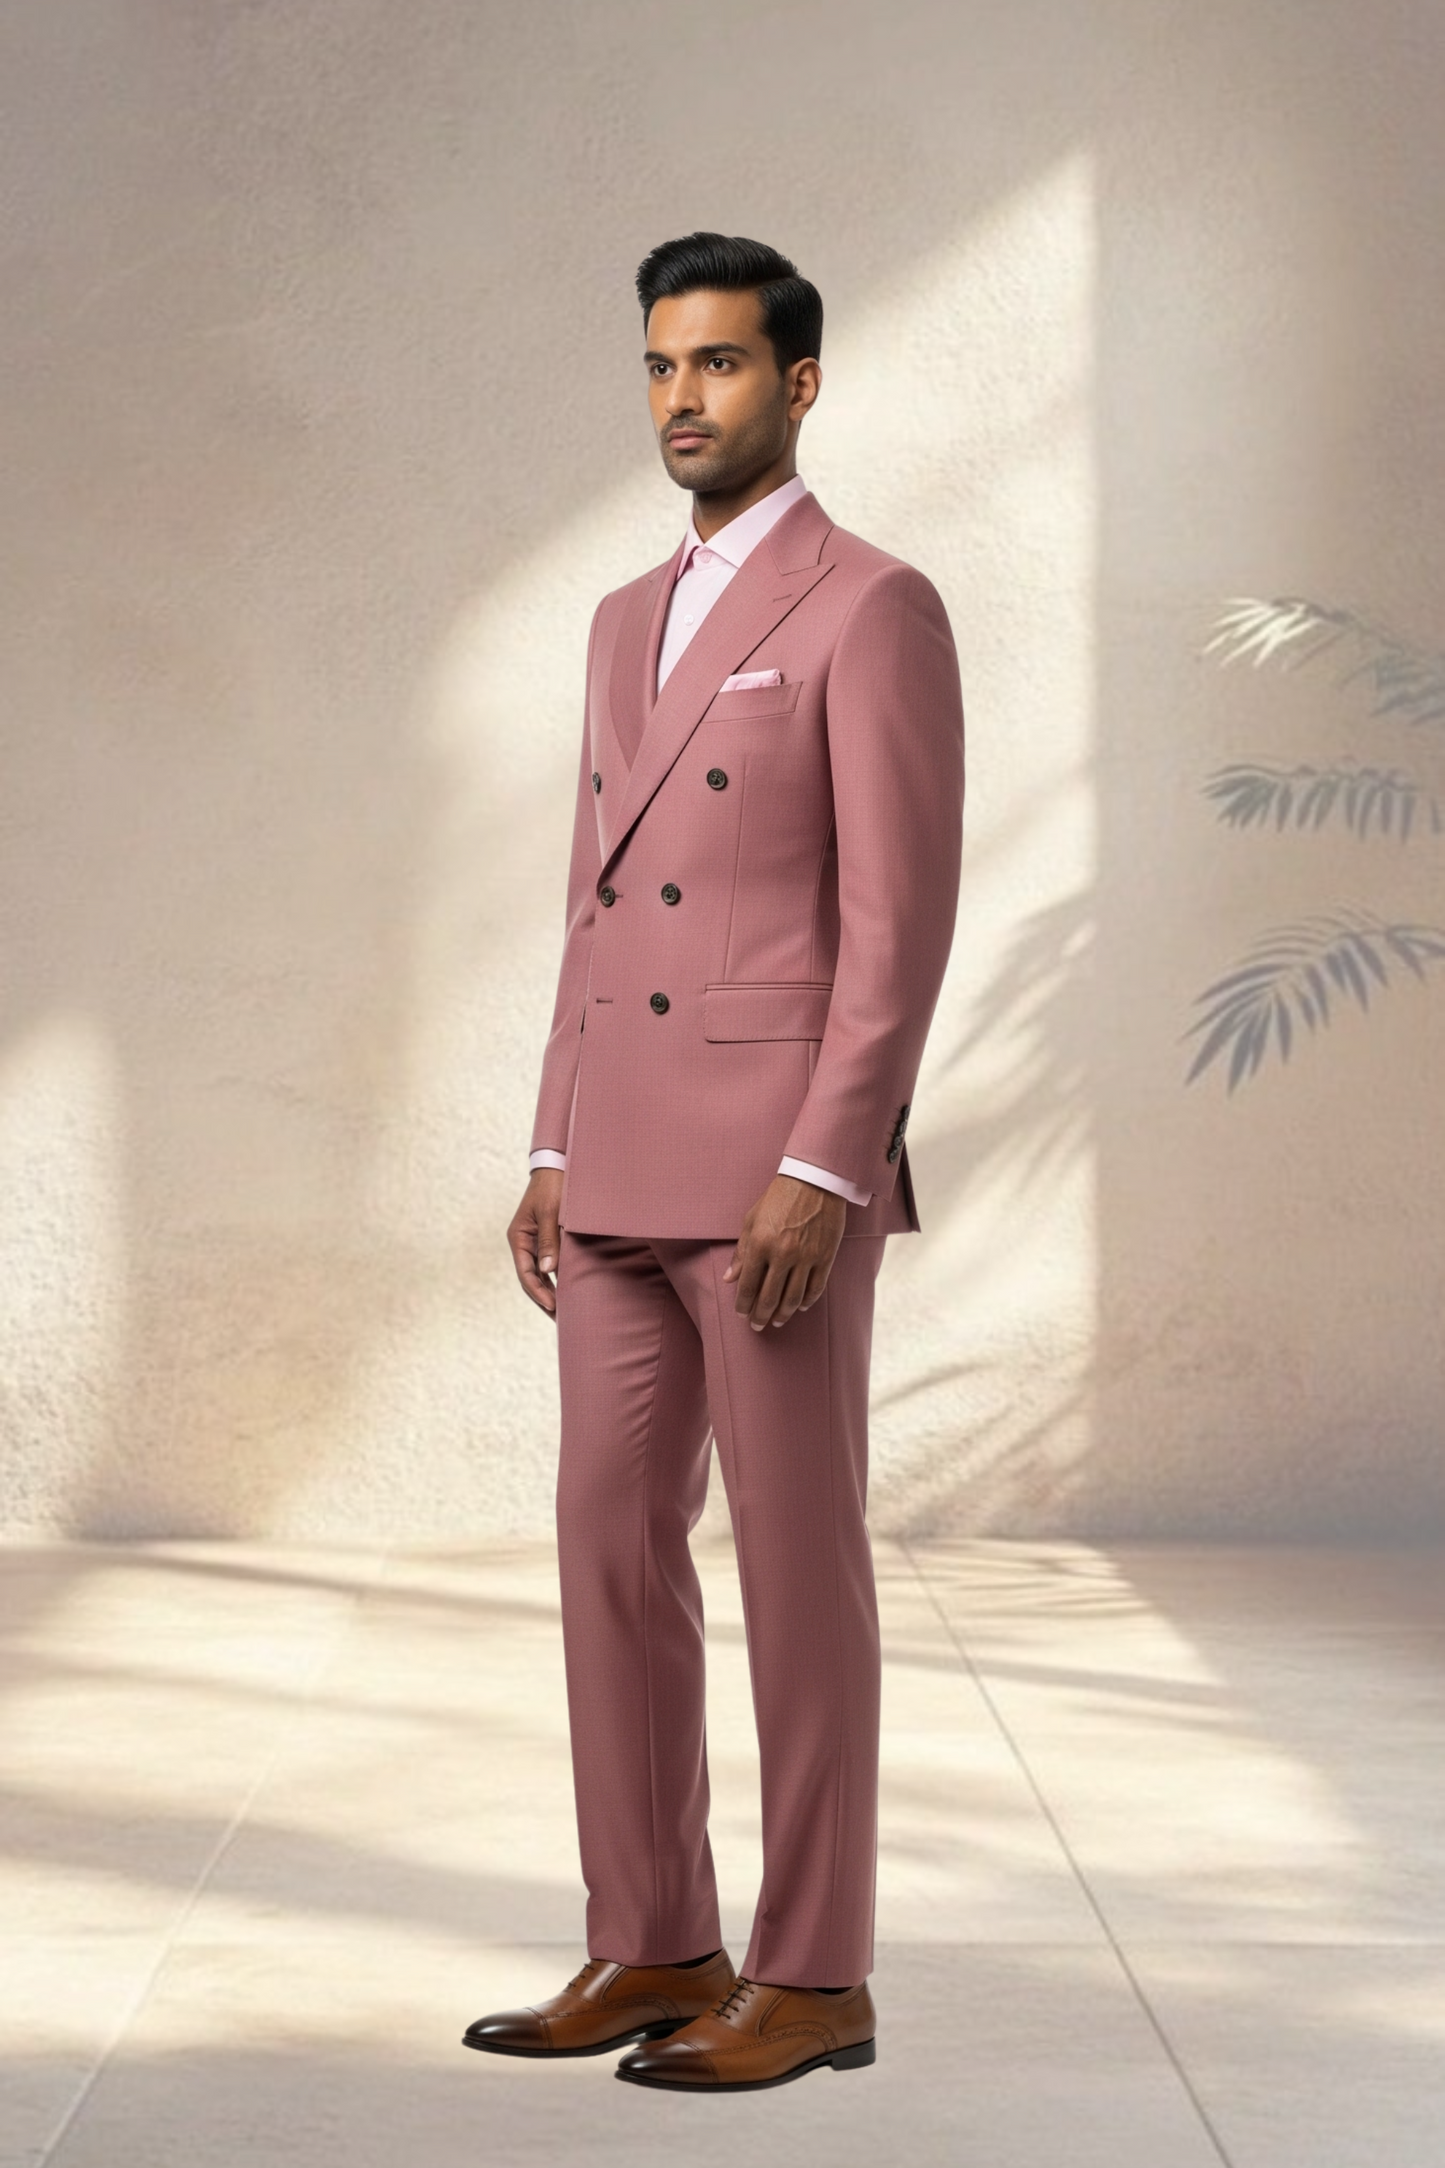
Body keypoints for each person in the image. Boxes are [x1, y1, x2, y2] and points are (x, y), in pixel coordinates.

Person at [464, 231, 965, 2093]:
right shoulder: (620, 618)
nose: (685, 398)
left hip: (772, 1181)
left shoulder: (873, 605)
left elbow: (899, 923)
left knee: (799, 1567)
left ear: (800, 383)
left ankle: (815, 1973)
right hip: (613, 1161)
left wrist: (829, 1170)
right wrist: (550, 1131)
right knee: (608, 1545)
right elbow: (592, 907)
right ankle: (656, 1937)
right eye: (663, 367)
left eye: (723, 365)